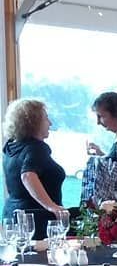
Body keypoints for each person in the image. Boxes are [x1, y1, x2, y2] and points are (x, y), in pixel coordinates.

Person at [2, 97, 66, 239]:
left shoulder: (10, 147)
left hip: (12, 215)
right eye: (46, 119)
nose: (50, 123)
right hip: (36, 220)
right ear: (33, 122)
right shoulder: (36, 148)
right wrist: (51, 206)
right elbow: (27, 175)